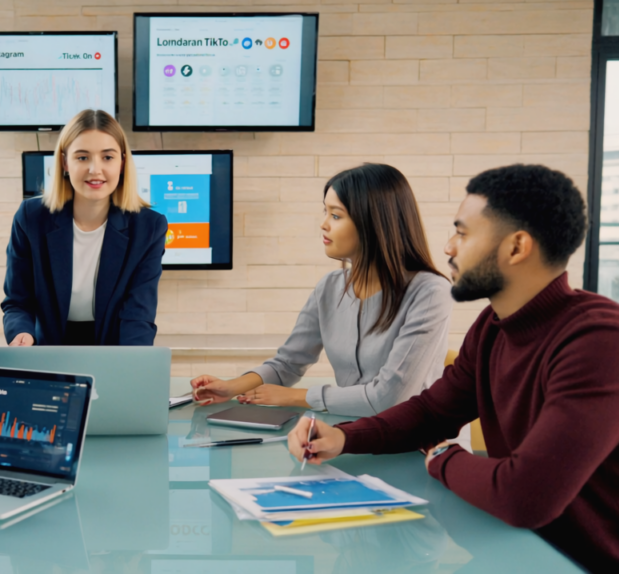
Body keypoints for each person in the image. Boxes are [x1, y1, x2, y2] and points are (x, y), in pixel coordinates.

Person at [289, 164, 619, 573]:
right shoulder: (493, 327)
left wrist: (443, 455)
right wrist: (342, 437)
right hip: (518, 552)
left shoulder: (601, 342)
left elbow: (524, 496)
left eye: (462, 233)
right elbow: (432, 412)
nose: (448, 248)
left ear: (516, 247)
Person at [192, 164, 453, 416]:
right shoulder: (329, 287)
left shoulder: (430, 292)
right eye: (325, 212)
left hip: (417, 444)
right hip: (353, 431)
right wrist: (231, 387)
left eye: (336, 215)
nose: (324, 224)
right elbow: (288, 363)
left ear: (373, 223)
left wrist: (298, 397)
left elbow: (389, 398)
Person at [1, 109, 167, 346]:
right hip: (46, 349)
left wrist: (133, 366)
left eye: (107, 157)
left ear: (122, 163)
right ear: (64, 162)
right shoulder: (31, 217)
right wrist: (21, 333)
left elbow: (138, 311)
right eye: (82, 157)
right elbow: (18, 300)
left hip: (115, 348)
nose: (95, 169)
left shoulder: (148, 226)